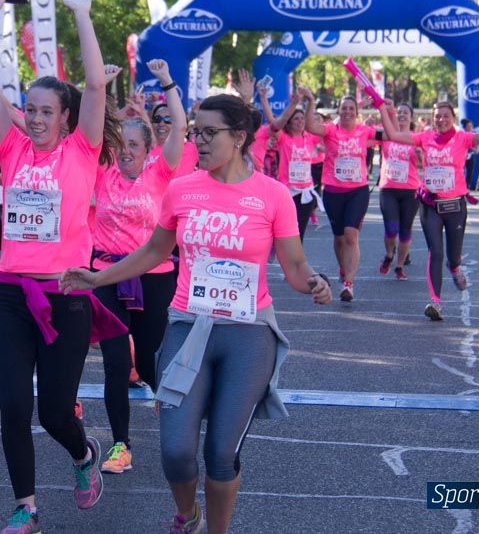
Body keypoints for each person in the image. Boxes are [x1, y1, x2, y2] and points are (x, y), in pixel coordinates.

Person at [61, 93, 332, 534]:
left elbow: (295, 265)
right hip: (187, 327)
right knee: (175, 451)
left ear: (239, 137)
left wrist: (314, 283)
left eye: (208, 133)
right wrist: (98, 278)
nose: (198, 141)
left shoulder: (272, 195)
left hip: (248, 333)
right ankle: (187, 515)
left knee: (221, 453)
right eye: (195, 132)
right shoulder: (182, 189)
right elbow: (154, 250)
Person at [0, 0, 127, 534]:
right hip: (11, 292)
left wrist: (82, 14)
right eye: (31, 110)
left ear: (65, 118)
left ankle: (83, 453)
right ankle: (27, 506)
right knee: (15, 405)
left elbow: (92, 83)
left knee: (53, 411)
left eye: (46, 111)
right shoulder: (12, 148)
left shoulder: (82, 152)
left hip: (65, 293)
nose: (35, 119)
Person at [90, 58, 185, 475]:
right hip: (107, 275)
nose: (125, 152)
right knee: (115, 363)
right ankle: (120, 445)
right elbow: (85, 126)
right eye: (120, 146)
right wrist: (99, 87)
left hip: (154, 276)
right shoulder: (100, 173)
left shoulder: (161, 174)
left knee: (148, 361)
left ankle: (169, 406)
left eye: (134, 146)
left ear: (148, 151)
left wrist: (167, 83)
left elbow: (179, 127)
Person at [378, 94, 479, 320]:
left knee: (453, 257)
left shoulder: (463, 138)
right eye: (437, 117)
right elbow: (393, 135)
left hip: (455, 206)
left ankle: (455, 269)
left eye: (445, 116)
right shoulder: (424, 137)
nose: (441, 120)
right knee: (436, 252)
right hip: (430, 205)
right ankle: (436, 302)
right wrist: (382, 109)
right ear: (432, 119)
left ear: (452, 118)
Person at [302, 89, 377, 302]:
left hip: (357, 190)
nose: (347, 112)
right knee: (339, 237)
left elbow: (389, 135)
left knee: (351, 235)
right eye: (344, 108)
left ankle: (349, 284)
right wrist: (310, 101)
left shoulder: (365, 131)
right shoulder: (330, 130)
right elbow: (310, 126)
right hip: (334, 191)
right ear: (339, 111)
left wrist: (384, 108)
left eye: (351, 108)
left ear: (357, 112)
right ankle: (343, 269)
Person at [260, 89, 318, 240]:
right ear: (289, 122)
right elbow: (273, 121)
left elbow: (316, 124)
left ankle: (295, 262)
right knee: (286, 233)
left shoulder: (310, 138)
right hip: (288, 192)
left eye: (302, 119)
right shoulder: (284, 138)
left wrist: (311, 101)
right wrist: (263, 98)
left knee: (300, 234)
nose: (300, 122)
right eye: (296, 119)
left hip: (306, 193)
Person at [376, 103, 421, 280]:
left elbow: (422, 164)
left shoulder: (416, 138)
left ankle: (400, 266)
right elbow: (364, 135)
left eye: (405, 113)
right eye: (399, 112)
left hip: (410, 190)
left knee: (405, 230)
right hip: (389, 188)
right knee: (391, 228)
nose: (402, 115)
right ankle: (389, 255)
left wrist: (420, 155)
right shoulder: (387, 134)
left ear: (411, 118)